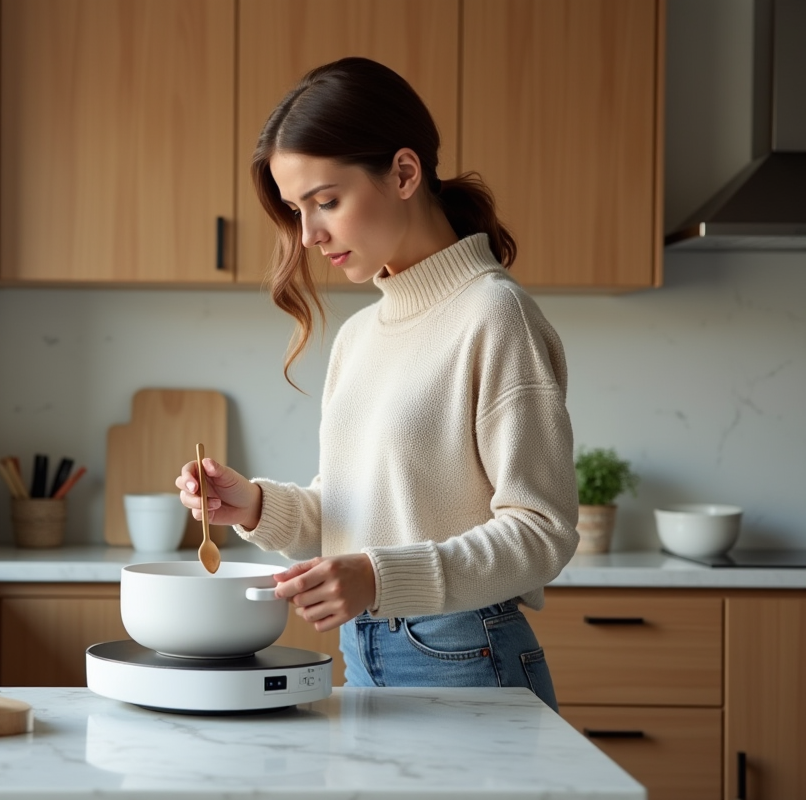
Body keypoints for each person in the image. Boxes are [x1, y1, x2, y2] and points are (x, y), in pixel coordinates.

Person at [175, 57, 578, 712]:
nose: (308, 236)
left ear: (404, 172)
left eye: (326, 201)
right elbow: (354, 512)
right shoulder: (361, 335)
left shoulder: (495, 316)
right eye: (295, 211)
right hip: (363, 653)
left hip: (466, 655)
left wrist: (377, 577)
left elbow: (542, 531)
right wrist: (249, 505)